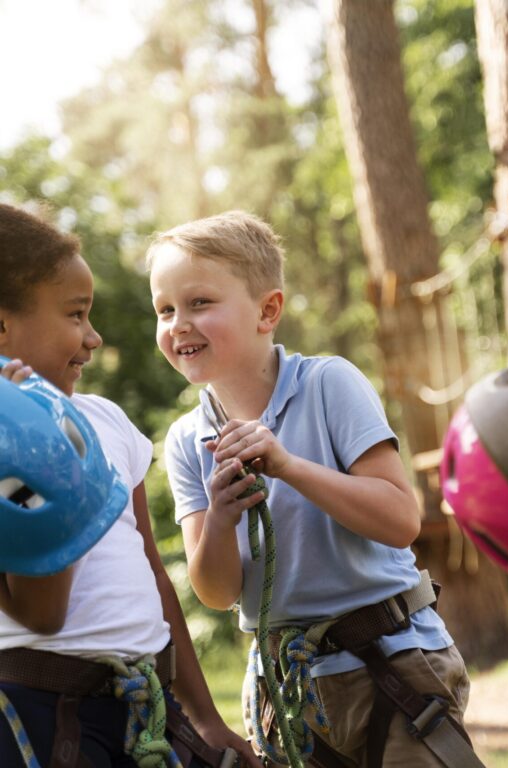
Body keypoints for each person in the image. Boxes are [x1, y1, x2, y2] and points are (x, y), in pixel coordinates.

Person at [146, 211, 477, 768]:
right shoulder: (186, 440)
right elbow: (217, 592)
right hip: (288, 691)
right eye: (165, 309)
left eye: (200, 303)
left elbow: (401, 519)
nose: (178, 323)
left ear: (267, 311)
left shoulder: (328, 384)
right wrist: (222, 518)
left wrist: (287, 465)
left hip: (393, 663)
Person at [0, 203, 260, 768]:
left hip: (147, 710)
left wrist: (206, 718)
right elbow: (43, 613)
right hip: (39, 717)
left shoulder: (107, 422)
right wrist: (35, 438)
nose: (93, 338)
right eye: (75, 315)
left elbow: (152, 573)